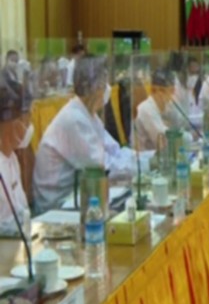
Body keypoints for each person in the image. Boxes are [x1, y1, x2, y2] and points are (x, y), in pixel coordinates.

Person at [33, 57, 136, 213]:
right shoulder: (73, 119)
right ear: (93, 88)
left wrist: (141, 159)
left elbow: (114, 151)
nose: (107, 89)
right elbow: (102, 167)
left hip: (79, 194)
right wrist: (140, 165)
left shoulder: (88, 114)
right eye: (103, 83)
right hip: (58, 204)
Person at [0, 73, 33, 235]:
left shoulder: (11, 158)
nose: (29, 126)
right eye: (26, 120)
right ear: (9, 123)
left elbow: (21, 211)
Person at [133, 69, 180, 151]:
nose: (160, 94)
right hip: (147, 155)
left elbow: (180, 125)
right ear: (152, 90)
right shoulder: (146, 109)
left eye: (171, 90)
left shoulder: (169, 106)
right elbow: (162, 141)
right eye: (157, 90)